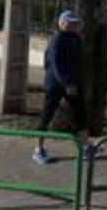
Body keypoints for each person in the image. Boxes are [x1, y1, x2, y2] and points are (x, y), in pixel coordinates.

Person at [33, 10, 91, 165]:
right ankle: (38, 149)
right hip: (55, 84)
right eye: (71, 23)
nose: (75, 25)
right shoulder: (57, 39)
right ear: (62, 24)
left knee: (81, 114)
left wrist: (77, 82)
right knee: (47, 115)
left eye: (76, 23)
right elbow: (55, 65)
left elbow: (78, 63)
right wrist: (66, 84)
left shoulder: (76, 39)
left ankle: (85, 147)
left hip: (73, 84)